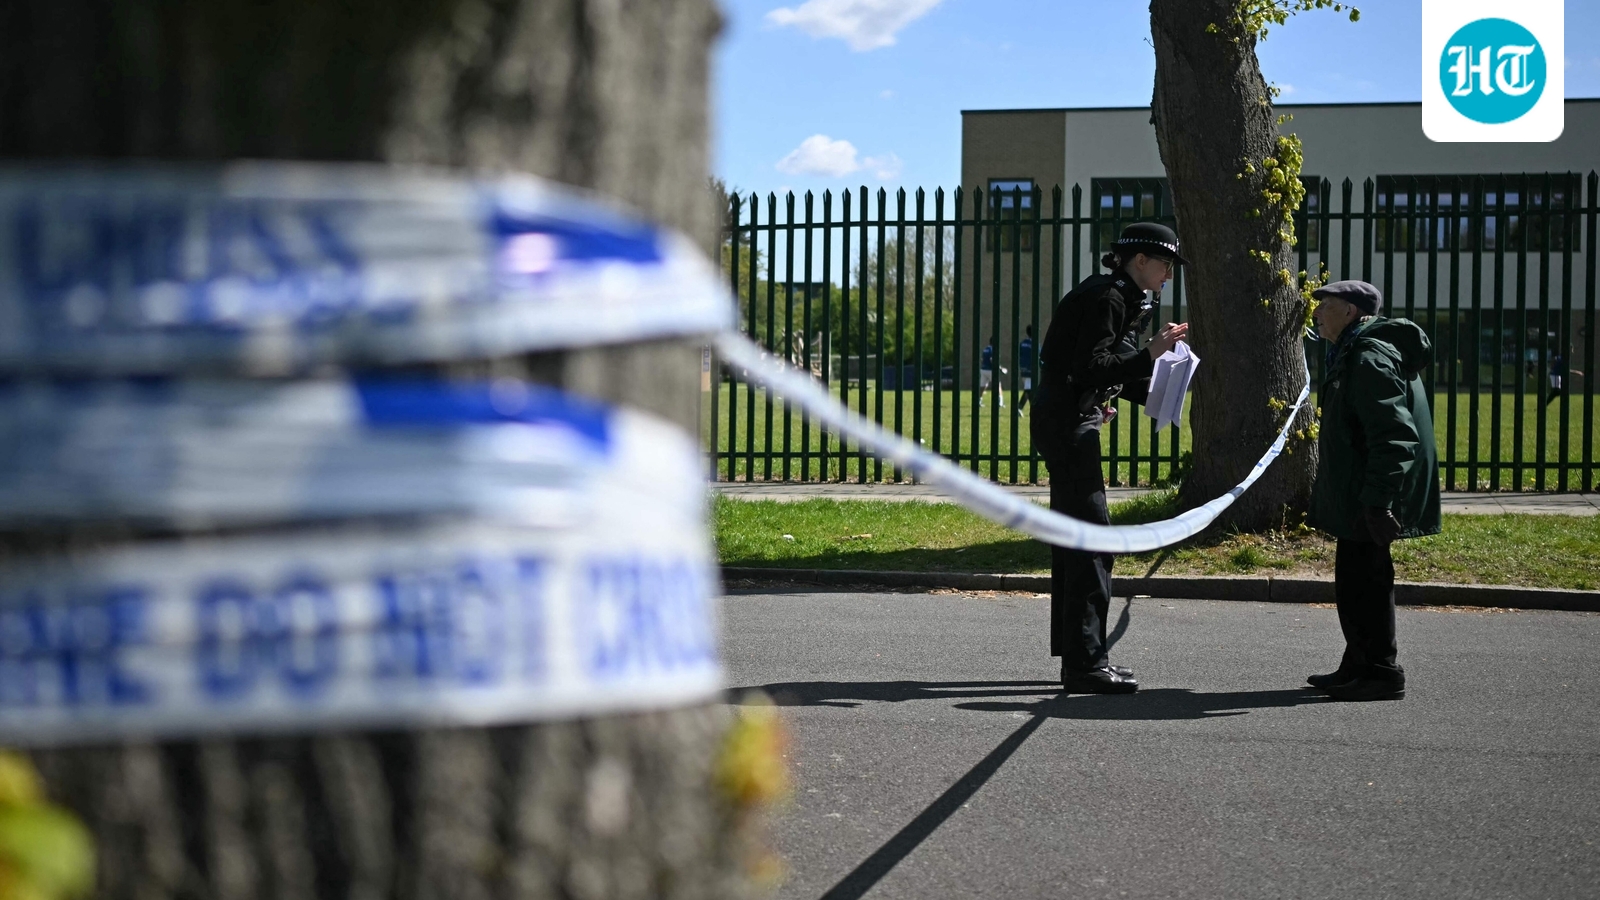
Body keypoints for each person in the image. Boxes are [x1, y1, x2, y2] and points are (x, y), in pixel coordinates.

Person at [1032, 222, 1188, 694]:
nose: (1167, 276)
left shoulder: (1120, 295)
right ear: (1139, 260)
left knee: (1077, 539)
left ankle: (1079, 654)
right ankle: (1085, 663)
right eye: (1164, 265)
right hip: (1066, 424)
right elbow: (1090, 366)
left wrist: (1133, 382)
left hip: (1067, 417)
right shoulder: (1110, 297)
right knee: (1092, 541)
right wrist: (1151, 354)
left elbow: (1094, 368)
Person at [1306, 280, 1441, 702]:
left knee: (1367, 580)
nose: (1317, 314)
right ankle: (1358, 663)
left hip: (1370, 492)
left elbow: (1395, 435)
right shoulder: (1353, 349)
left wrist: (1378, 500)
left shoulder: (1368, 355)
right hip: (1360, 489)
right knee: (1354, 578)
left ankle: (1382, 671)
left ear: (1349, 311)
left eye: (1324, 306)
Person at [979, 337, 1005, 407]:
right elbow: (992, 360)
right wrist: (1000, 368)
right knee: (998, 386)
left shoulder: (985, 349)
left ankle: (979, 400)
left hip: (983, 369)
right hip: (991, 370)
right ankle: (1000, 402)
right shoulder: (993, 349)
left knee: (983, 386)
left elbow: (982, 360)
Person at [1017, 326, 1036, 412]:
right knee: (1029, 389)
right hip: (1031, 369)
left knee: (1028, 389)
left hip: (1023, 369)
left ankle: (1021, 407)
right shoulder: (1035, 344)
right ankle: (1020, 407)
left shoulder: (1022, 343)